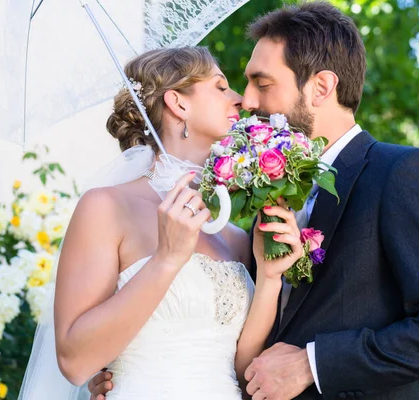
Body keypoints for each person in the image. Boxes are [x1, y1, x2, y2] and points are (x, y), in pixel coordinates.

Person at [90, 2, 419, 399]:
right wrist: (126, 365)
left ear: (321, 87)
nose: (249, 102)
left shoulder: (400, 172)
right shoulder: (251, 195)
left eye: (263, 83)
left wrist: (313, 364)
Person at [19, 47, 305, 400]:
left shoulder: (232, 236)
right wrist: (167, 260)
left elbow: (245, 374)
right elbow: (75, 361)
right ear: (178, 104)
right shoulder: (105, 208)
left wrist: (269, 278)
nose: (241, 101)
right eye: (220, 87)